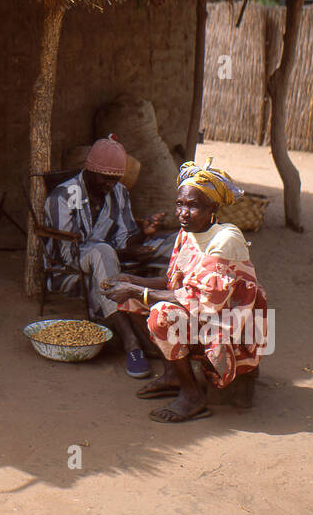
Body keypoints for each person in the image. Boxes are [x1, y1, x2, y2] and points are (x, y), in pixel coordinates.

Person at [103, 159, 268, 423]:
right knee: (133, 303)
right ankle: (172, 375)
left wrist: (136, 290)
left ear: (213, 207)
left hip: (228, 321)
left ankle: (193, 396)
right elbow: (175, 285)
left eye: (193, 205)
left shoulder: (226, 239)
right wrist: (130, 280)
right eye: (180, 204)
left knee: (161, 316)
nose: (183, 212)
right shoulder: (187, 233)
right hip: (201, 310)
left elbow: (204, 301)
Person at [44, 135, 173, 379]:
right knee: (102, 252)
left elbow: (124, 238)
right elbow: (66, 254)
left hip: (113, 261)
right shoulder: (63, 197)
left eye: (115, 179)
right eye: (105, 179)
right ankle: (132, 343)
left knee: (172, 244)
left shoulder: (119, 192)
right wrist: (121, 252)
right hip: (71, 270)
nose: (110, 185)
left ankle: (169, 328)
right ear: (90, 171)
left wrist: (141, 236)